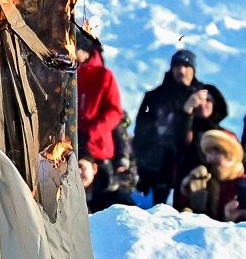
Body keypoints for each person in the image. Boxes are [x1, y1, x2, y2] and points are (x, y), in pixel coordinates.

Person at [131, 48, 201, 206]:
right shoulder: (154, 97)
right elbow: (141, 134)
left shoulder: (201, 98)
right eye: (177, 66)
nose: (181, 70)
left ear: (193, 70)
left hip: (188, 168)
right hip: (156, 169)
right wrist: (143, 167)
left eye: (186, 66)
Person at [74, 32, 123, 178]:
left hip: (97, 149)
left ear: (83, 51)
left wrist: (93, 131)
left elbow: (114, 112)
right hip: (69, 148)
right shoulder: (64, 74)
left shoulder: (104, 75)